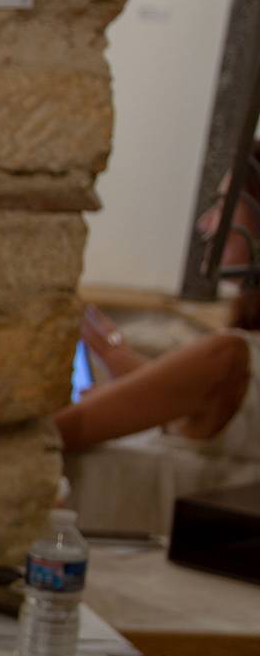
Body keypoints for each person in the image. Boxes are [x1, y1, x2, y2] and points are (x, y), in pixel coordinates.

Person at [54, 152, 260, 458]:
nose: (207, 224)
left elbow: (56, 433)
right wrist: (118, 358)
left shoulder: (231, 357)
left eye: (223, 205)